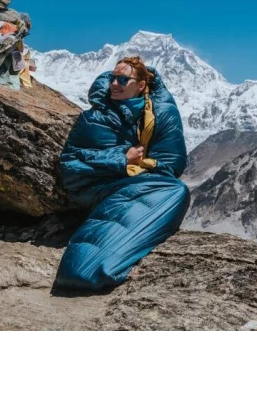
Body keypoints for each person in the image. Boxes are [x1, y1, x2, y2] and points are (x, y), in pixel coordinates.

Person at [53, 56, 190, 291]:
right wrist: (122, 159)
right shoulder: (94, 118)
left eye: (123, 80)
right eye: (113, 78)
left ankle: (97, 266)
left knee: (176, 190)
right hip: (97, 185)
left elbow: (173, 162)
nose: (115, 84)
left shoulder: (162, 113)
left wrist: (139, 165)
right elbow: (71, 161)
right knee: (172, 192)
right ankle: (87, 270)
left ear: (141, 85)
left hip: (137, 182)